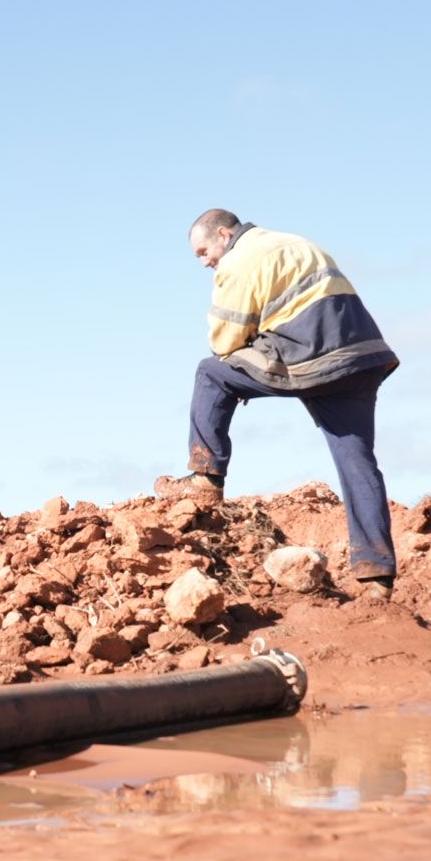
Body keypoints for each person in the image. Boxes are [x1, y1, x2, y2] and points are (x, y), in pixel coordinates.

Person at [157, 209, 401, 594]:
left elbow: (224, 341)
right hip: (359, 358)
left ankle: (206, 476)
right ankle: (376, 576)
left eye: (204, 252)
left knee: (211, 373)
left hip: (309, 357)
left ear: (223, 234)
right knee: (358, 463)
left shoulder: (240, 260)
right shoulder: (296, 243)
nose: (205, 262)